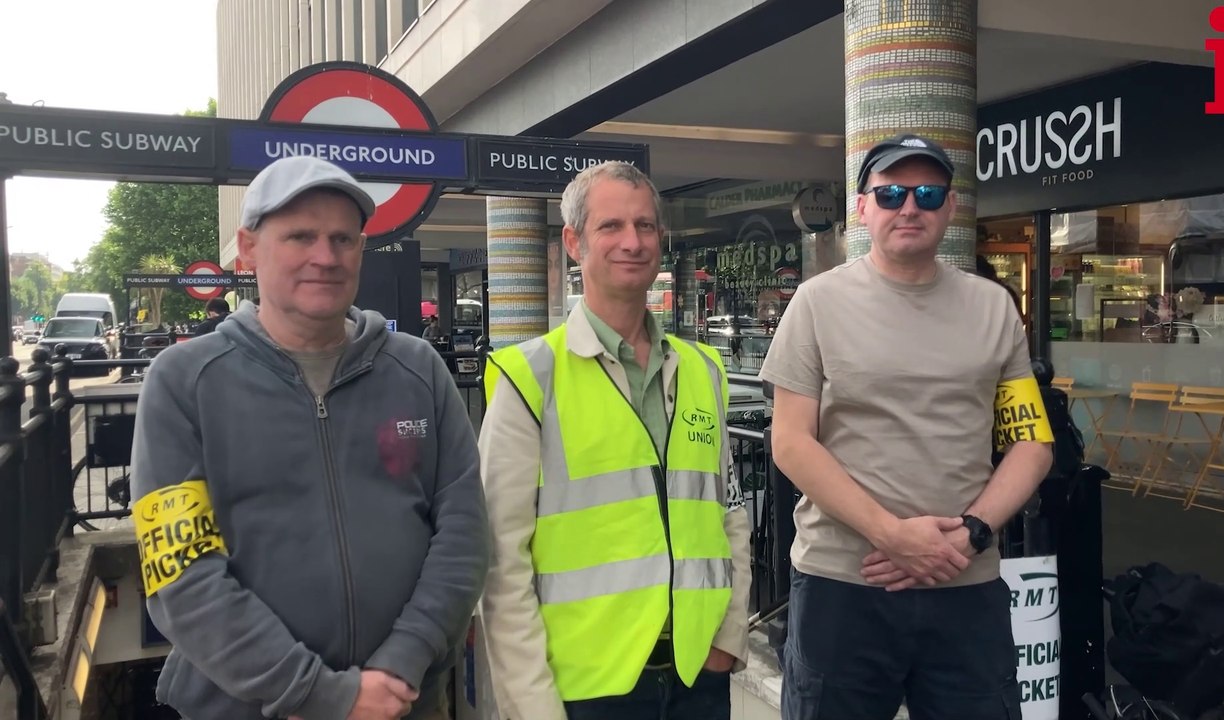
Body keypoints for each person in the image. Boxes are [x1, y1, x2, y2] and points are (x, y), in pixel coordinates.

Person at [130, 155, 489, 720]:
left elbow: (464, 532)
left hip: (404, 700)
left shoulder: (418, 369)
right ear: (248, 248)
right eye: (301, 236)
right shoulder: (184, 382)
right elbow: (182, 571)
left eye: (343, 239)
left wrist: (401, 663)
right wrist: (320, 694)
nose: (325, 257)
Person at [760, 134, 1055, 720]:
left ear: (950, 207)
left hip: (965, 583)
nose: (909, 206)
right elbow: (792, 440)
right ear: (863, 208)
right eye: (891, 192)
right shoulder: (816, 303)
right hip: (844, 582)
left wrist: (971, 532)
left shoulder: (994, 307)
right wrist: (893, 535)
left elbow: (1032, 442)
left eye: (927, 192)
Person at [478, 161, 752, 720]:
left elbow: (729, 511)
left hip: (697, 673)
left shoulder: (703, 369)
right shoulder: (530, 378)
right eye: (612, 227)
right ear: (575, 242)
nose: (633, 241)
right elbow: (501, 562)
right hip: (585, 688)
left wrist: (729, 637)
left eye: (646, 226)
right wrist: (531, 705)